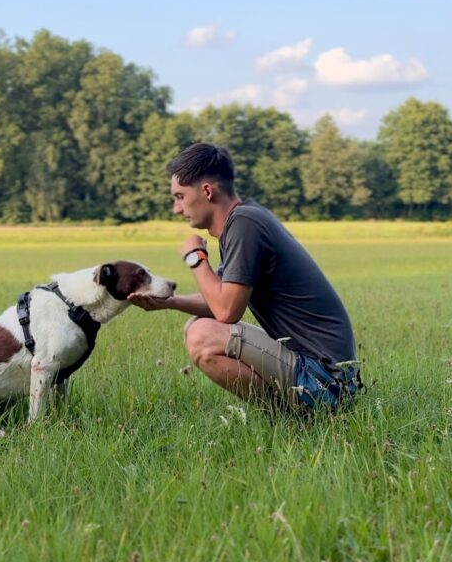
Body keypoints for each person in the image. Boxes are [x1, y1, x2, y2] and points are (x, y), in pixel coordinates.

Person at [129, 142, 361, 408]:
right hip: (323, 375)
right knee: (195, 326)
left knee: (201, 334)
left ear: (206, 191)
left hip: (324, 382)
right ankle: (294, 416)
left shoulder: (244, 224)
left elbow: (226, 311)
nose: (176, 209)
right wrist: (168, 302)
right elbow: (220, 299)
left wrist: (196, 258)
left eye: (180, 197)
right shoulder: (244, 221)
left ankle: (293, 419)